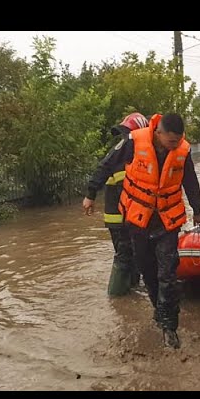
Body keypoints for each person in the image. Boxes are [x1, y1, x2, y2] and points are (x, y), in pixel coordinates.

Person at [84, 113, 200, 348]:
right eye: (171, 142)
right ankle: (159, 313)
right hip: (138, 220)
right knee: (147, 271)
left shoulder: (182, 150)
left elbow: (190, 180)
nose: (174, 146)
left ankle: (170, 327)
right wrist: (90, 194)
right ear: (158, 133)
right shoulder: (132, 142)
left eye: (178, 141)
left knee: (168, 273)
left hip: (167, 221)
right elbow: (106, 164)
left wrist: (197, 208)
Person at [83, 113, 148, 296]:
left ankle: (131, 290)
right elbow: (103, 168)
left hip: (125, 215)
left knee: (131, 255)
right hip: (121, 216)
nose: (125, 137)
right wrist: (90, 194)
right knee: (125, 254)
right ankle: (117, 296)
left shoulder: (135, 154)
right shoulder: (125, 147)